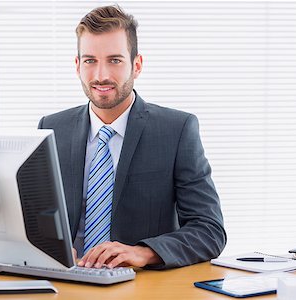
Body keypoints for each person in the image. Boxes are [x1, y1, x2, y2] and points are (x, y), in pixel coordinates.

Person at [38, 5, 226, 270]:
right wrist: (45, 245)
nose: (101, 75)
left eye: (114, 60)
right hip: (68, 281)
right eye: (90, 60)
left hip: (140, 286)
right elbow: (34, 219)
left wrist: (144, 252)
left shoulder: (177, 129)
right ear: (78, 65)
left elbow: (209, 231)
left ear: (136, 65)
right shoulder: (52, 128)